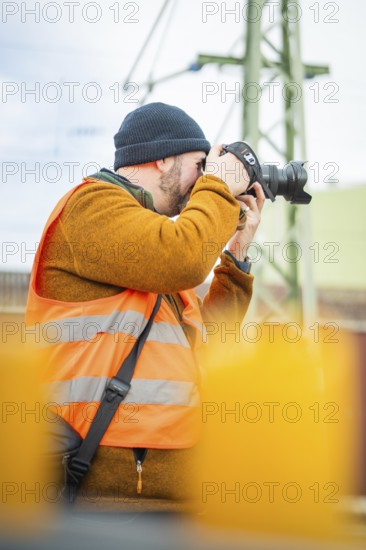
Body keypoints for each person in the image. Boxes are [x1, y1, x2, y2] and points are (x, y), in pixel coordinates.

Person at [26, 102, 265, 510]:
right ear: (163, 157)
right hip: (99, 496)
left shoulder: (153, 250)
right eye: (200, 165)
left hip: (170, 494)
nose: (204, 179)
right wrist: (220, 189)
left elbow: (208, 343)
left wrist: (237, 256)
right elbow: (184, 258)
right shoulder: (91, 208)